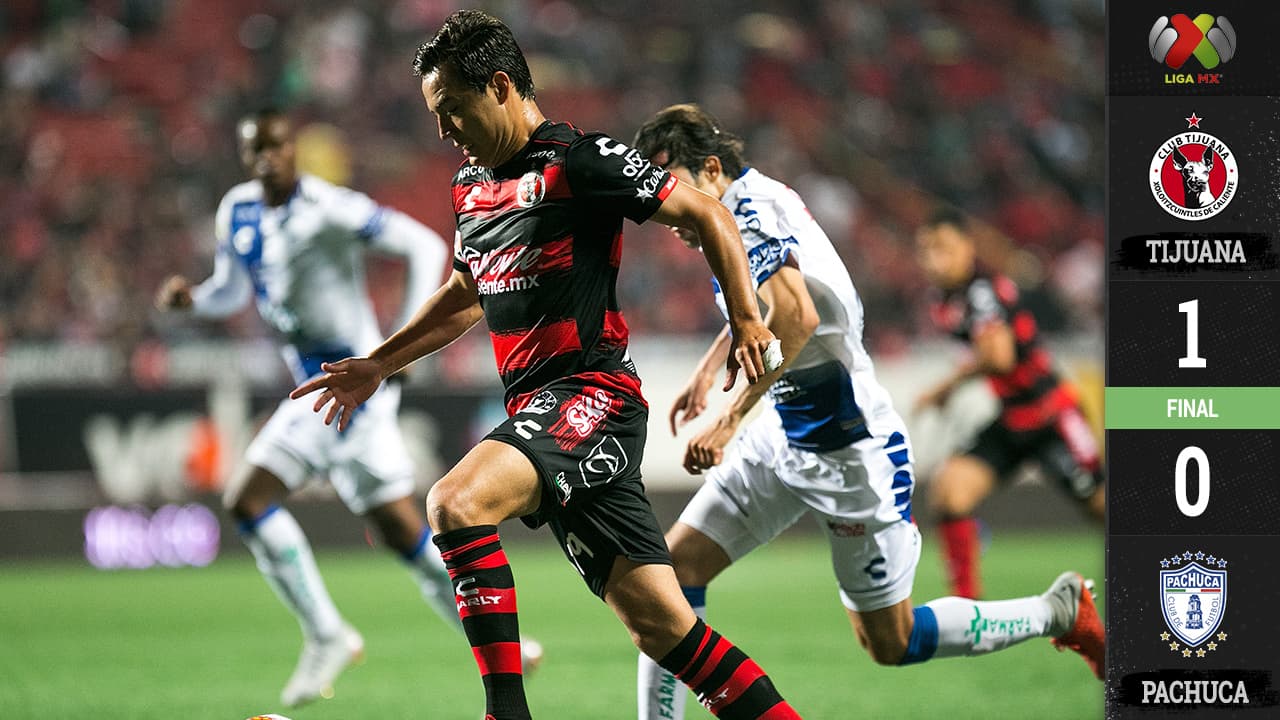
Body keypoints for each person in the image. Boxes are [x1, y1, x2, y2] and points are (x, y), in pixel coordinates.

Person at [290, 11, 801, 720]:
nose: (443, 130)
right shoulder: (470, 187)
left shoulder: (580, 160)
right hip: (543, 416)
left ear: (500, 86)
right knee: (666, 630)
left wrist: (746, 316)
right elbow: (466, 295)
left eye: (452, 109)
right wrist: (378, 364)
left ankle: (505, 712)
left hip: (593, 398)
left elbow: (710, 216)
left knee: (454, 502)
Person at [629, 105, 1104, 720]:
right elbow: (763, 304)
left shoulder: (750, 215)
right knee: (672, 576)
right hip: (784, 433)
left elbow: (795, 315)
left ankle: (1057, 611)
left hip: (851, 449)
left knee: (891, 642)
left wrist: (728, 418)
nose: (666, 210)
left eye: (672, 186)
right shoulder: (737, 206)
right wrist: (707, 368)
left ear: (713, 169)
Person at [155, 107, 540, 708]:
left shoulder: (330, 208)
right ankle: (508, 646)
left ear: (293, 149)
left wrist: (399, 347)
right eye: (256, 149)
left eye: (277, 146)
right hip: (321, 384)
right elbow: (233, 289)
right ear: (244, 154)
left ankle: (327, 634)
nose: (267, 159)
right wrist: (196, 301)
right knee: (401, 531)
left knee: (247, 499)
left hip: (344, 384)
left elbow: (422, 245)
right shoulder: (239, 210)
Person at [914, 208, 1105, 600]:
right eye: (927, 250)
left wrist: (946, 387)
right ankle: (967, 608)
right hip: (1014, 418)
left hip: (1052, 415)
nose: (935, 259)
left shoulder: (980, 292)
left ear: (968, 247)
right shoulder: (945, 300)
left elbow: (999, 357)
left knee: (1101, 506)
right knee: (950, 491)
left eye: (944, 248)